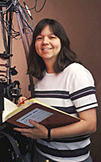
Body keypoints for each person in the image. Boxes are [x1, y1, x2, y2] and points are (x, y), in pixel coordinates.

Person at [14, 18, 98, 162]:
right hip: (41, 155)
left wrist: (48, 133)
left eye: (52, 37)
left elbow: (90, 124)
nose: (45, 42)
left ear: (62, 42)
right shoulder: (40, 77)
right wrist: (27, 104)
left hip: (72, 160)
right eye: (39, 38)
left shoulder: (76, 73)